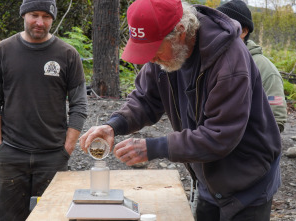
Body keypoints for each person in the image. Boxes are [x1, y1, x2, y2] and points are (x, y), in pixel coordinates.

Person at [79, 0, 281, 220]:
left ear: (181, 32)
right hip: (209, 178)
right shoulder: (167, 54)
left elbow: (220, 136)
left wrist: (155, 147)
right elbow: (146, 100)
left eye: (153, 49)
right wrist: (113, 125)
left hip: (247, 181)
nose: (150, 58)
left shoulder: (230, 60)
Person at [0, 0, 88, 220]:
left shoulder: (68, 54)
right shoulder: (4, 50)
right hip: (11, 155)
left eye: (46, 16)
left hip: (52, 156)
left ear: (52, 19)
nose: (40, 22)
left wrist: (66, 149)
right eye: (34, 15)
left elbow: (79, 106)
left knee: (52, 216)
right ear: (23, 15)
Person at [218, 0, 287, 132]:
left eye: (224, 26)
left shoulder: (264, 68)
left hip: (251, 148)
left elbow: (277, 119)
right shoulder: (213, 63)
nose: (216, 31)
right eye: (216, 26)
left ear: (243, 31)